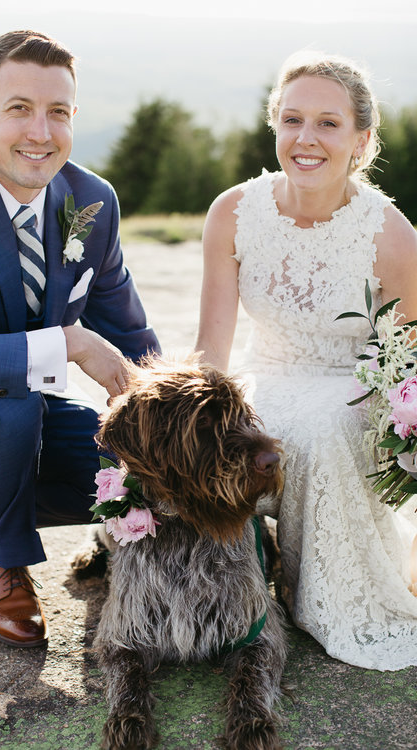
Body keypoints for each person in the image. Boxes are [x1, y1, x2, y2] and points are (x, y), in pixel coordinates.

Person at [0, 30, 159, 647]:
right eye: (19, 109)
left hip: (30, 421)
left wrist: (176, 417)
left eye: (58, 112)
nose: (41, 132)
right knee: (11, 403)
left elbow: (131, 334)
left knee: (147, 475)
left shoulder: (90, 200)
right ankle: (4, 560)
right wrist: (69, 342)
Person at [196, 51, 417, 670]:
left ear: (361, 140)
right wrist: (191, 414)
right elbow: (212, 344)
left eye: (328, 123)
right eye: (292, 120)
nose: (306, 139)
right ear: (274, 127)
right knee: (211, 424)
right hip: (263, 372)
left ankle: (317, 598)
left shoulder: (391, 236)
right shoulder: (233, 212)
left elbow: (404, 369)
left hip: (353, 388)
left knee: (317, 431)